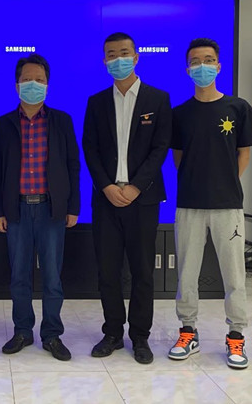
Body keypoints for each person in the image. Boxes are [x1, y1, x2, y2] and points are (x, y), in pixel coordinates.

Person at [168, 38, 252, 369]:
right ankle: (188, 331)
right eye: (195, 61)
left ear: (218, 66)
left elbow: (243, 154)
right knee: (187, 274)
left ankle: (236, 336)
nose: (202, 66)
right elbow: (178, 157)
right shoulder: (179, 114)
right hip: (189, 205)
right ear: (187, 69)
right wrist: (198, 182)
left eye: (208, 60)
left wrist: (223, 182)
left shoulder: (238, 108)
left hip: (228, 206)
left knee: (234, 276)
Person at [82, 32, 171, 364]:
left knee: (142, 271)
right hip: (106, 199)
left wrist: (136, 187)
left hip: (142, 200)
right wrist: (107, 186)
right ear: (104, 60)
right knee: (108, 271)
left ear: (136, 57)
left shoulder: (157, 99)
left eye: (123, 53)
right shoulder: (96, 102)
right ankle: (112, 333)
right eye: (111, 54)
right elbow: (90, 148)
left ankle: (140, 336)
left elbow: (160, 148)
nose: (117, 59)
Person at [0, 54, 80, 361]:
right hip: (16, 210)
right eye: (27, 79)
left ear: (48, 84)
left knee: (52, 277)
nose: (33, 85)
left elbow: (73, 166)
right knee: (19, 276)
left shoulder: (62, 121)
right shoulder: (3, 124)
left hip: (51, 210)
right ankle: (22, 331)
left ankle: (52, 334)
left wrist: (73, 206)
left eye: (39, 80)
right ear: (17, 85)